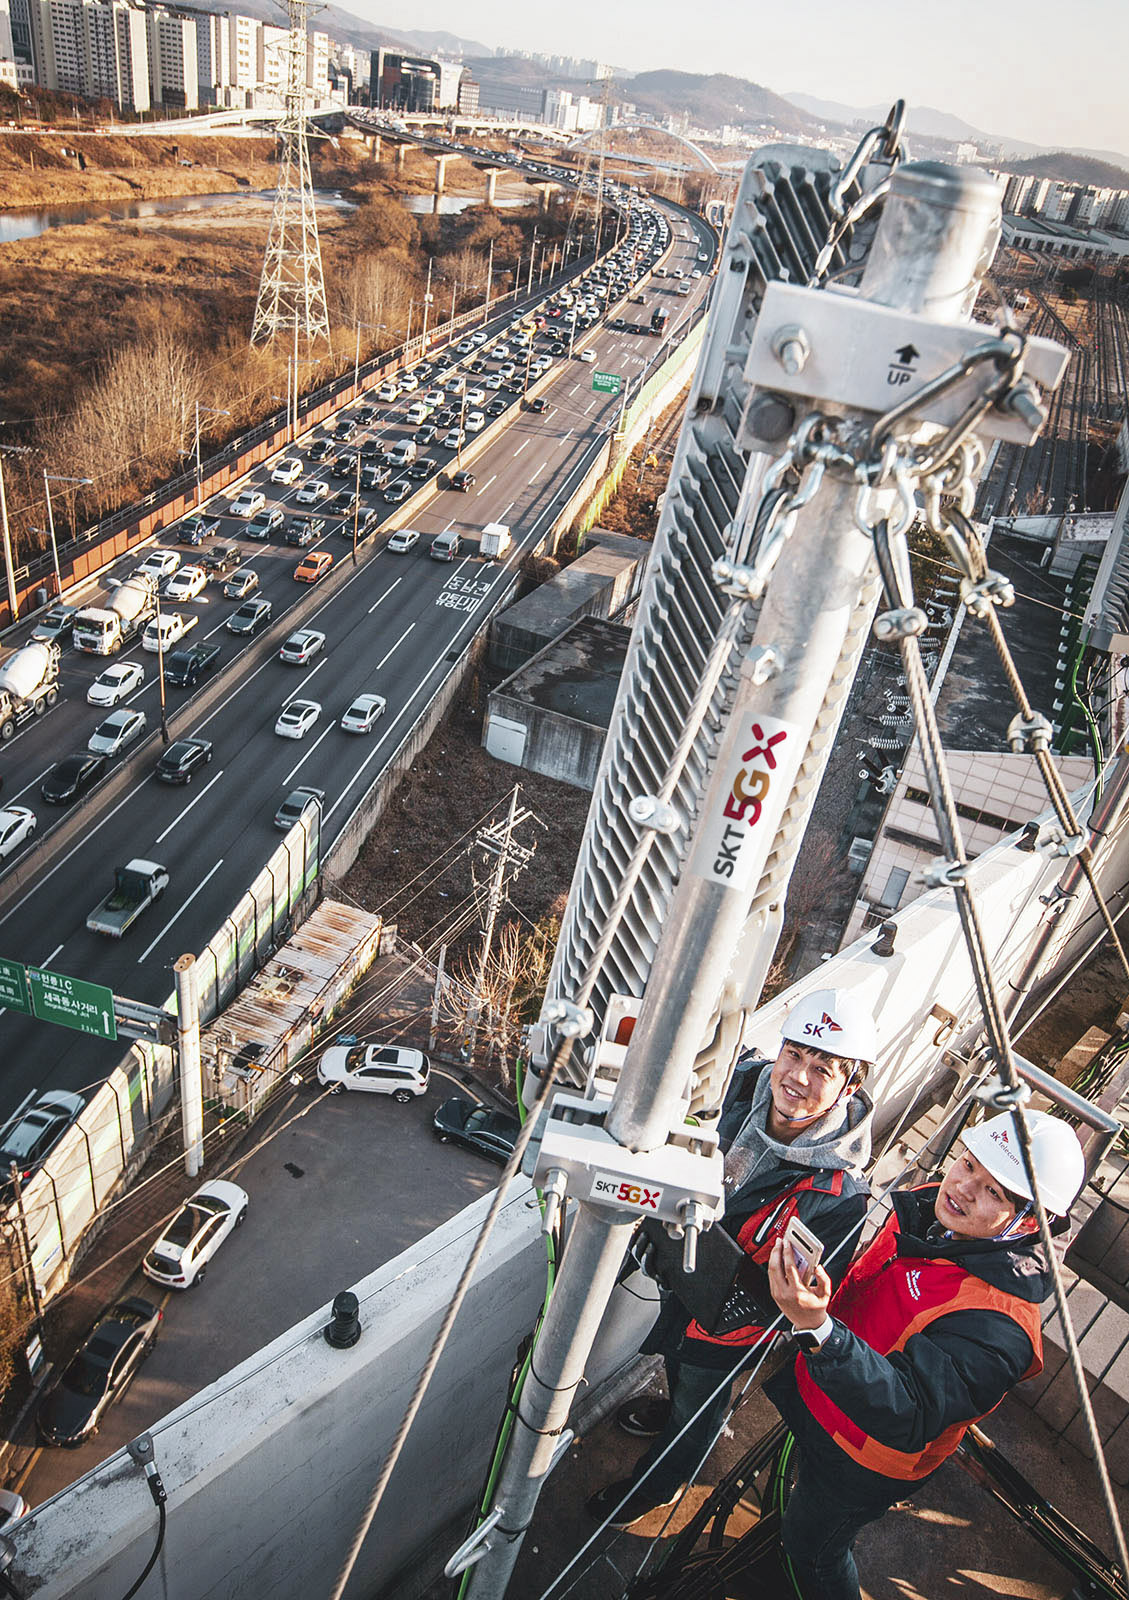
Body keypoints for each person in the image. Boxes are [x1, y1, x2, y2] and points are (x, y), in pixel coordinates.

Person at [764, 1107, 1086, 1600]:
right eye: (970, 1163)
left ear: (1026, 1225)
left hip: (862, 1458)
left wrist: (818, 1328)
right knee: (799, 1511)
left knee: (814, 1550)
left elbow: (909, 1409)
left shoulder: (1000, 1328)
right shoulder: (933, 1214)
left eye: (994, 1192)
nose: (963, 1187)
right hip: (826, 1398)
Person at [586, 987, 878, 1528]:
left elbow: (805, 1297)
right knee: (674, 1366)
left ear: (849, 1084)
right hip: (680, 1281)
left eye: (824, 1068)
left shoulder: (838, 1195)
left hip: (729, 1332)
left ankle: (654, 1489)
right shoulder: (735, 1084)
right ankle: (670, 1410)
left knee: (697, 1408)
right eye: (794, 1054)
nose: (797, 1078)